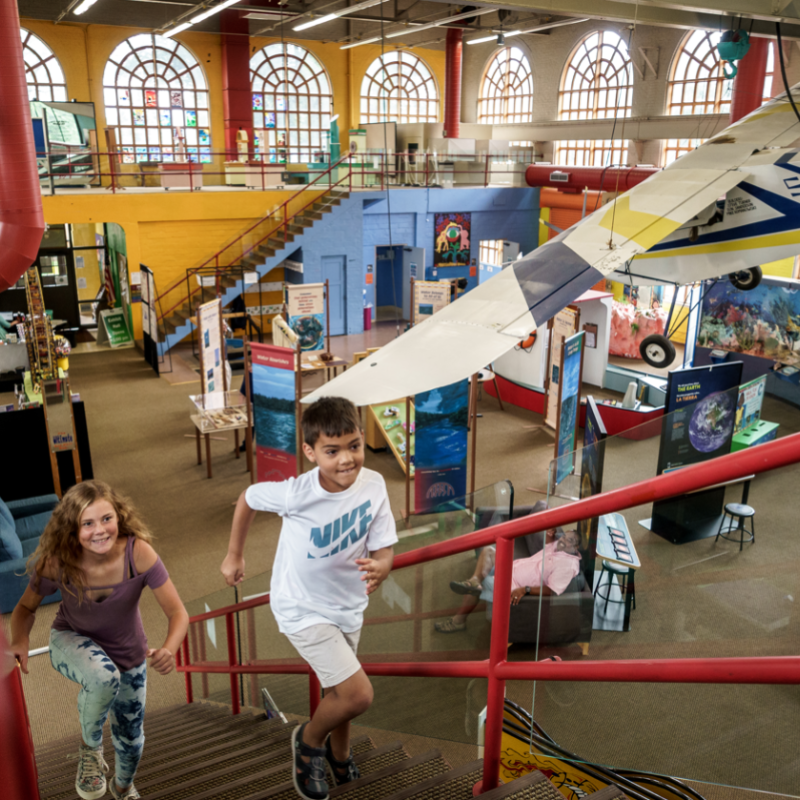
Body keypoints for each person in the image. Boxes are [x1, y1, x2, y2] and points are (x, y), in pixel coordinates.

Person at [221, 396, 397, 800]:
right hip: (301, 606)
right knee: (357, 694)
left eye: (354, 446)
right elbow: (248, 497)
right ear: (310, 452)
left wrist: (384, 565)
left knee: (340, 690)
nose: (347, 460)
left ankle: (340, 755)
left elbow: (384, 545)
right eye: (331, 452)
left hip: (348, 606)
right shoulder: (295, 493)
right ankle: (310, 740)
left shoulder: (374, 484)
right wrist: (234, 554)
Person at [9, 481, 189, 800]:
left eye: (106, 518)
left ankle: (123, 786)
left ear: (119, 516)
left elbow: (178, 612)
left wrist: (169, 648)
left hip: (129, 655)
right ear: (72, 528)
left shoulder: (139, 553)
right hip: (70, 639)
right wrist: (20, 639)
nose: (99, 530)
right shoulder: (57, 560)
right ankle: (90, 750)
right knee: (104, 678)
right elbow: (24, 608)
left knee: (131, 740)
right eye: (87, 523)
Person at [435, 528, 581, 634]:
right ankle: (473, 581)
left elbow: (552, 591)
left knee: (481, 582)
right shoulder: (560, 548)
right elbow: (548, 553)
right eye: (564, 537)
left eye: (569, 540)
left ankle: (458, 621)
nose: (562, 540)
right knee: (488, 551)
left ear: (576, 547)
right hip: (511, 568)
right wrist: (551, 535)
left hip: (514, 585)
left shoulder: (567, 566)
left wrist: (525, 589)